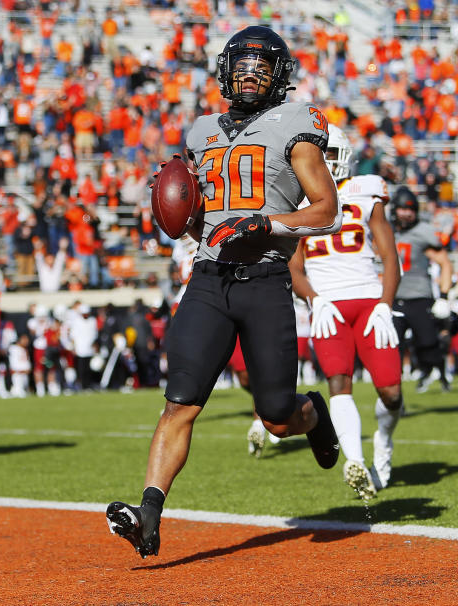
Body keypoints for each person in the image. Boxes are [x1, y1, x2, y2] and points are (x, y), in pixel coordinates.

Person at [106, 25, 343, 559]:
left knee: (277, 415)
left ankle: (314, 415)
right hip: (210, 279)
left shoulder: (296, 124)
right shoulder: (200, 131)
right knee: (179, 403)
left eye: (263, 67)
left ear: (280, 76)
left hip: (264, 281)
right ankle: (148, 513)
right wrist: (178, 210)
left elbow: (326, 212)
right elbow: (200, 225)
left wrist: (267, 224)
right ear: (224, 71)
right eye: (243, 66)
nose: (251, 75)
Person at [288, 124, 403, 499]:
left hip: (370, 301)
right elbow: (294, 267)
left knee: (392, 393)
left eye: (331, 154)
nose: (327, 162)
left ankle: (382, 446)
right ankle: (356, 463)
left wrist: (386, 304)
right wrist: (314, 299)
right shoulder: (298, 201)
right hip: (329, 305)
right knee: (338, 383)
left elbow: (390, 257)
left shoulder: (367, 190)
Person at [390, 187, 453, 392]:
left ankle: (439, 373)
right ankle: (394, 392)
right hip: (392, 298)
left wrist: (443, 296)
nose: (407, 213)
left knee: (428, 344)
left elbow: (444, 262)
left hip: (419, 296)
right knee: (392, 348)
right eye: (402, 208)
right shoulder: (385, 229)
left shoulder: (423, 231)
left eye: (410, 209)